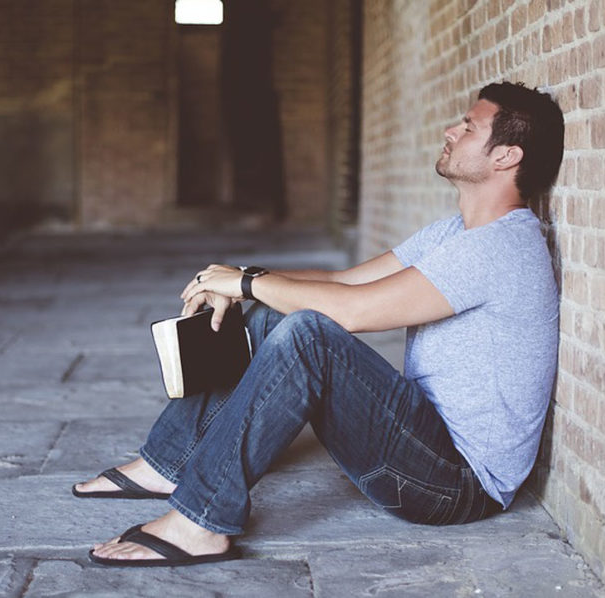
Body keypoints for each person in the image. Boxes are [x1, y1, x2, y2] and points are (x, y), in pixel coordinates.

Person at [73, 81, 565, 567]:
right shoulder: (454, 233)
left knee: (308, 335)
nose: (450, 131)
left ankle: (201, 521)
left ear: (506, 157)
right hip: (422, 438)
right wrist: (242, 279)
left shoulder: (500, 247)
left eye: (468, 127)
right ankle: (168, 464)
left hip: (454, 484)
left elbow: (353, 312)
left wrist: (245, 283)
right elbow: (340, 281)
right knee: (274, 310)